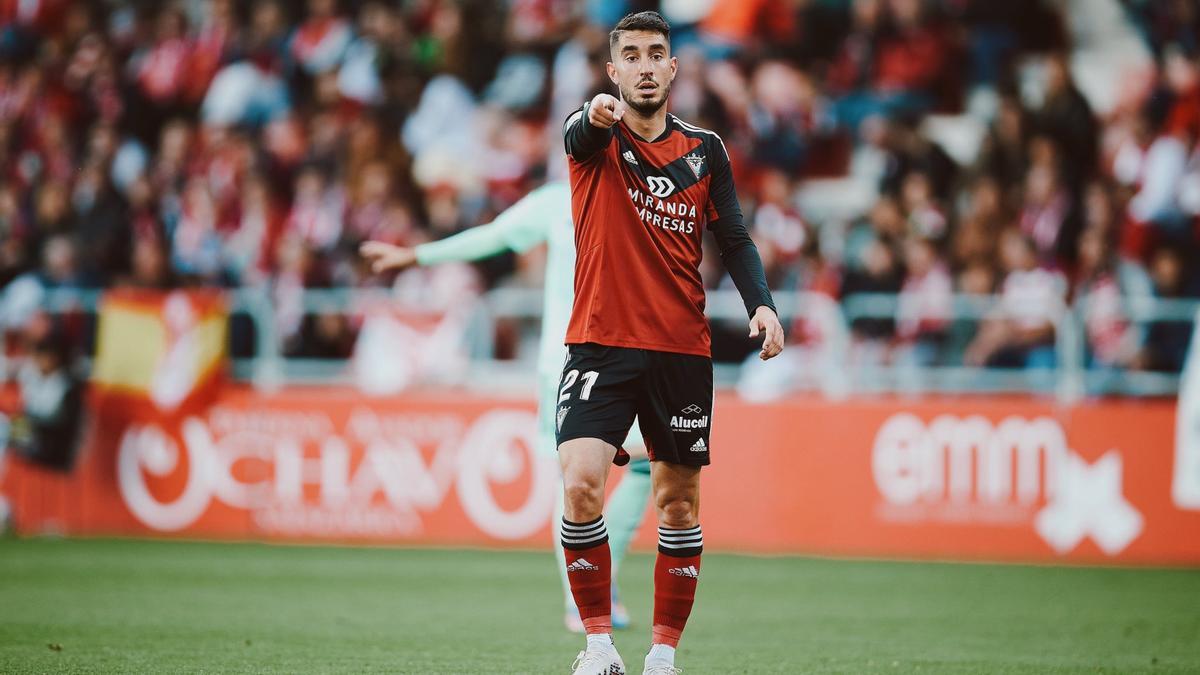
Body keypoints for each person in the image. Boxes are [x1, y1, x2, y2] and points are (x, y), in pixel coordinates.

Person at [556, 12, 783, 675]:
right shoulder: (596, 139)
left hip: (681, 348)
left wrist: (761, 305)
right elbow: (579, 133)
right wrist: (596, 114)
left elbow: (734, 237)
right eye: (633, 54)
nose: (647, 64)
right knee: (579, 486)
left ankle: (661, 654)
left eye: (658, 53)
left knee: (678, 501)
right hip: (599, 341)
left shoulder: (705, 150)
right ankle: (598, 646)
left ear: (674, 68)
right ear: (614, 70)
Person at [360, 183, 653, 632]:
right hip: (565, 361)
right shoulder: (562, 198)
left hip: (629, 357)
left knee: (646, 464)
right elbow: (494, 236)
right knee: (575, 479)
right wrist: (418, 256)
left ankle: (599, 577)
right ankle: (584, 597)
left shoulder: (641, 194)